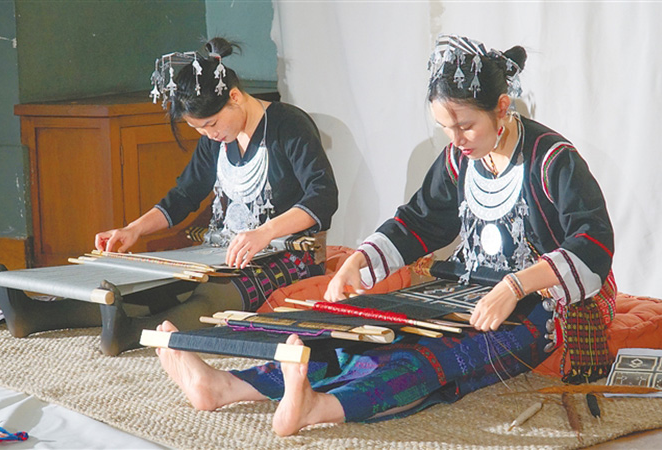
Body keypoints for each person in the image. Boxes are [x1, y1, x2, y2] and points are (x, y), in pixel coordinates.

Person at [155, 35, 616, 436]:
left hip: (543, 305)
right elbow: (419, 221)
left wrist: (514, 286)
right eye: (445, 128)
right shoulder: (459, 158)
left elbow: (593, 244)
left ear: (501, 107)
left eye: (465, 126)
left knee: (427, 358)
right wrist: (359, 262)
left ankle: (321, 407)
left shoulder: (552, 159)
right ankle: (226, 386)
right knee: (353, 334)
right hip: (466, 290)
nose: (456, 140)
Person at [0, 37, 338, 356]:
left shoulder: (288, 125)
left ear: (234, 97)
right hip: (224, 250)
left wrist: (264, 232)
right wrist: (133, 229)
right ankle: (37, 315)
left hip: (289, 253)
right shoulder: (216, 138)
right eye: (199, 129)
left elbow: (322, 197)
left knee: (212, 292)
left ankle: (132, 333)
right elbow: (185, 195)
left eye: (211, 124)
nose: (209, 135)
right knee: (156, 286)